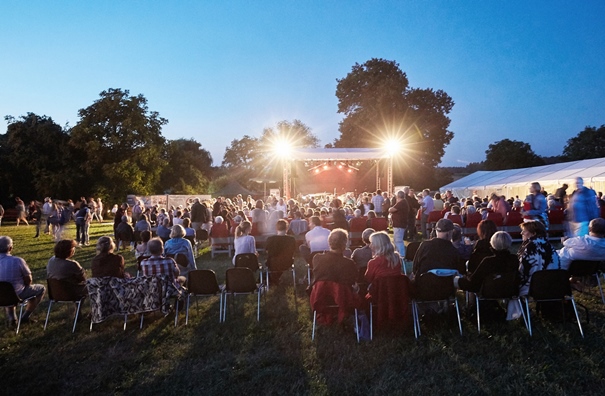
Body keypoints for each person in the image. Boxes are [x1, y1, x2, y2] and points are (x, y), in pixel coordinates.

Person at [0, 236, 45, 326]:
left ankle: (12, 318)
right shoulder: (17, 261)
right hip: (16, 294)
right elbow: (28, 279)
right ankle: (25, 317)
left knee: (7, 291)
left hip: (2, 294)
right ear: (10, 248)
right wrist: (27, 285)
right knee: (41, 289)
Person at [454, 232, 519, 293]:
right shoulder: (514, 259)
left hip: (488, 291)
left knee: (455, 280)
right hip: (509, 290)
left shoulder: (488, 261)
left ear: (492, 243)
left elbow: (474, 280)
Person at [518, 220, 561, 296]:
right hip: (553, 285)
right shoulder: (550, 247)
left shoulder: (529, 247)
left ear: (533, 233)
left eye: (524, 231)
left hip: (533, 286)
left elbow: (522, 271)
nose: (521, 233)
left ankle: (519, 308)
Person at [265, 219, 296, 284]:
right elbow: (293, 251)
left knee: (273, 262)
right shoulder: (291, 240)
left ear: (276, 228)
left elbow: (266, 251)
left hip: (273, 263)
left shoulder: (270, 239)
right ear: (287, 228)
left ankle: (273, 279)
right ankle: (275, 279)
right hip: (287, 263)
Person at [389, 190, 409, 257]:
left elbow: (392, 209)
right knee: (396, 240)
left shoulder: (401, 203)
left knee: (398, 241)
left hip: (399, 224)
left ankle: (402, 255)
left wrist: (391, 208)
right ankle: (398, 254)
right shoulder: (404, 202)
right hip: (399, 224)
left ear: (398, 196)